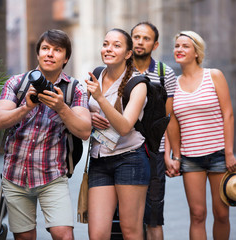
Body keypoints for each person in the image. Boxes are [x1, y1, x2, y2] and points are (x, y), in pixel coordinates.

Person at [0, 29, 92, 240]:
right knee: (25, 237)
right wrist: (25, 108)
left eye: (57, 50)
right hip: (15, 176)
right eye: (45, 48)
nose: (49, 54)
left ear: (66, 58)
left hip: (52, 176)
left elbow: (84, 131)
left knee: (64, 235)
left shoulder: (75, 89)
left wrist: (62, 108)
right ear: (37, 53)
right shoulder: (17, 82)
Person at [169, 30, 236, 240]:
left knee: (222, 214)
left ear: (196, 52)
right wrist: (176, 155)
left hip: (218, 155)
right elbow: (172, 122)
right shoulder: (173, 84)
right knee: (197, 215)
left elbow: (228, 114)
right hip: (191, 159)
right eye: (177, 46)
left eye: (185, 46)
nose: (179, 50)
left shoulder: (214, 75)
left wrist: (229, 152)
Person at [85, 28, 150, 240]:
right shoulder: (96, 74)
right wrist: (89, 118)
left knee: (130, 231)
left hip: (130, 158)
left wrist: (100, 98)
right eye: (105, 44)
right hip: (99, 160)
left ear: (128, 53)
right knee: (97, 234)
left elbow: (124, 127)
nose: (108, 49)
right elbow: (86, 111)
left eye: (116, 45)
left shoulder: (137, 83)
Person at [130, 21, 179, 240]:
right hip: (125, 151)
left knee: (154, 217)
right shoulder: (119, 69)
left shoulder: (164, 73)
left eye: (146, 38)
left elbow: (168, 119)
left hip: (155, 153)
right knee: (127, 219)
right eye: (136, 37)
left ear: (155, 44)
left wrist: (170, 155)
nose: (140, 42)